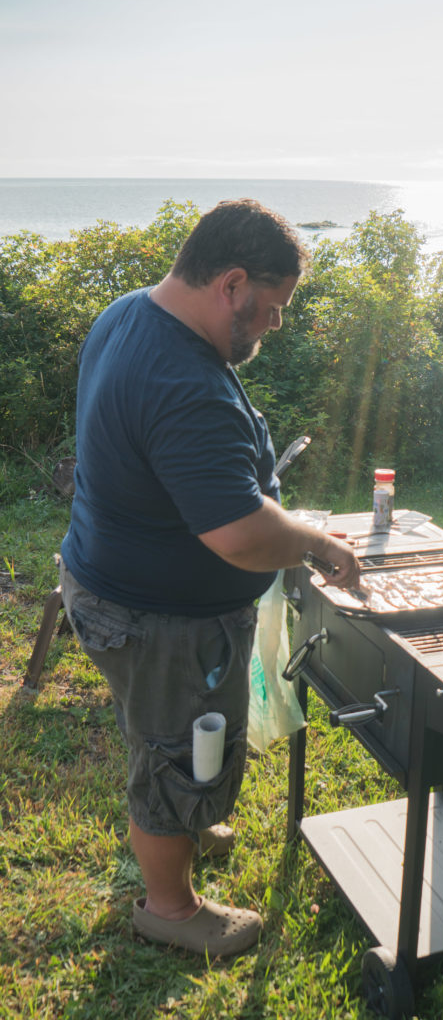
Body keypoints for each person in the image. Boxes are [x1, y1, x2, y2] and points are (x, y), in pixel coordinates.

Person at [60, 198, 360, 959]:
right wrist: (315, 544)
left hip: (106, 580)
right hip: (160, 619)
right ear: (230, 283)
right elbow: (240, 535)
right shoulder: (184, 383)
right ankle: (170, 906)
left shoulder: (131, 311)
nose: (276, 325)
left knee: (161, 731)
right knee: (172, 751)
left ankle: (189, 816)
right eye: (271, 307)